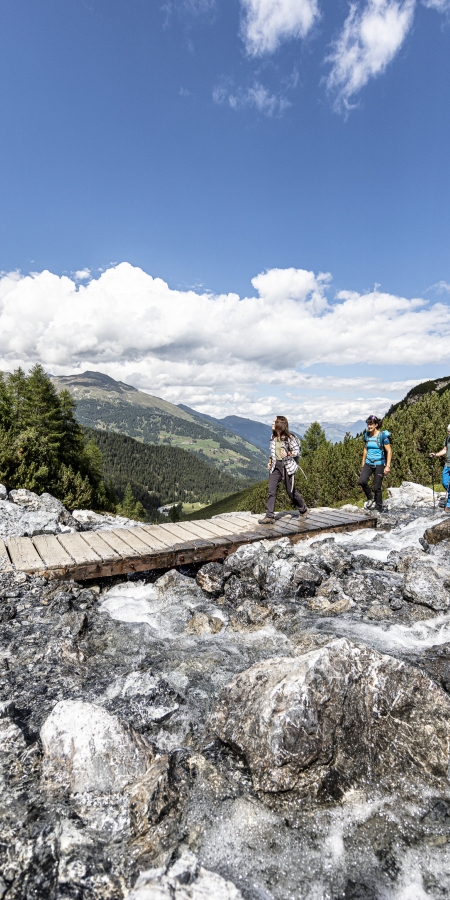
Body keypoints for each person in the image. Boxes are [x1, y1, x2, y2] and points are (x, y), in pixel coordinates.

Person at [258, 416, 308, 525]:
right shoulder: (273, 437)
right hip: (275, 467)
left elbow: (297, 451)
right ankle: (269, 516)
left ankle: (303, 510)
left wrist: (288, 453)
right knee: (271, 490)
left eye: (274, 422)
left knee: (291, 492)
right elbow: (273, 454)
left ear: (280, 424)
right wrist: (270, 462)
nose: (272, 423)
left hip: (287, 466)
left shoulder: (290, 438)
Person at [359, 415, 392, 512]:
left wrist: (388, 466)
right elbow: (365, 448)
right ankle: (370, 497)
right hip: (368, 463)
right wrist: (363, 461)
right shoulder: (366, 435)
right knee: (362, 481)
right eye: (368, 424)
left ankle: (379, 508)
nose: (369, 426)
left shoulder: (382, 436)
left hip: (379, 464)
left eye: (371, 424)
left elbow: (389, 451)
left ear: (376, 425)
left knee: (377, 487)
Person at [429, 424, 450, 511]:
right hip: (447, 464)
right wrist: (436, 454)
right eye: (448, 431)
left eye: (449, 431)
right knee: (445, 482)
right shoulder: (447, 438)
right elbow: (445, 450)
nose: (448, 432)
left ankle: (448, 505)